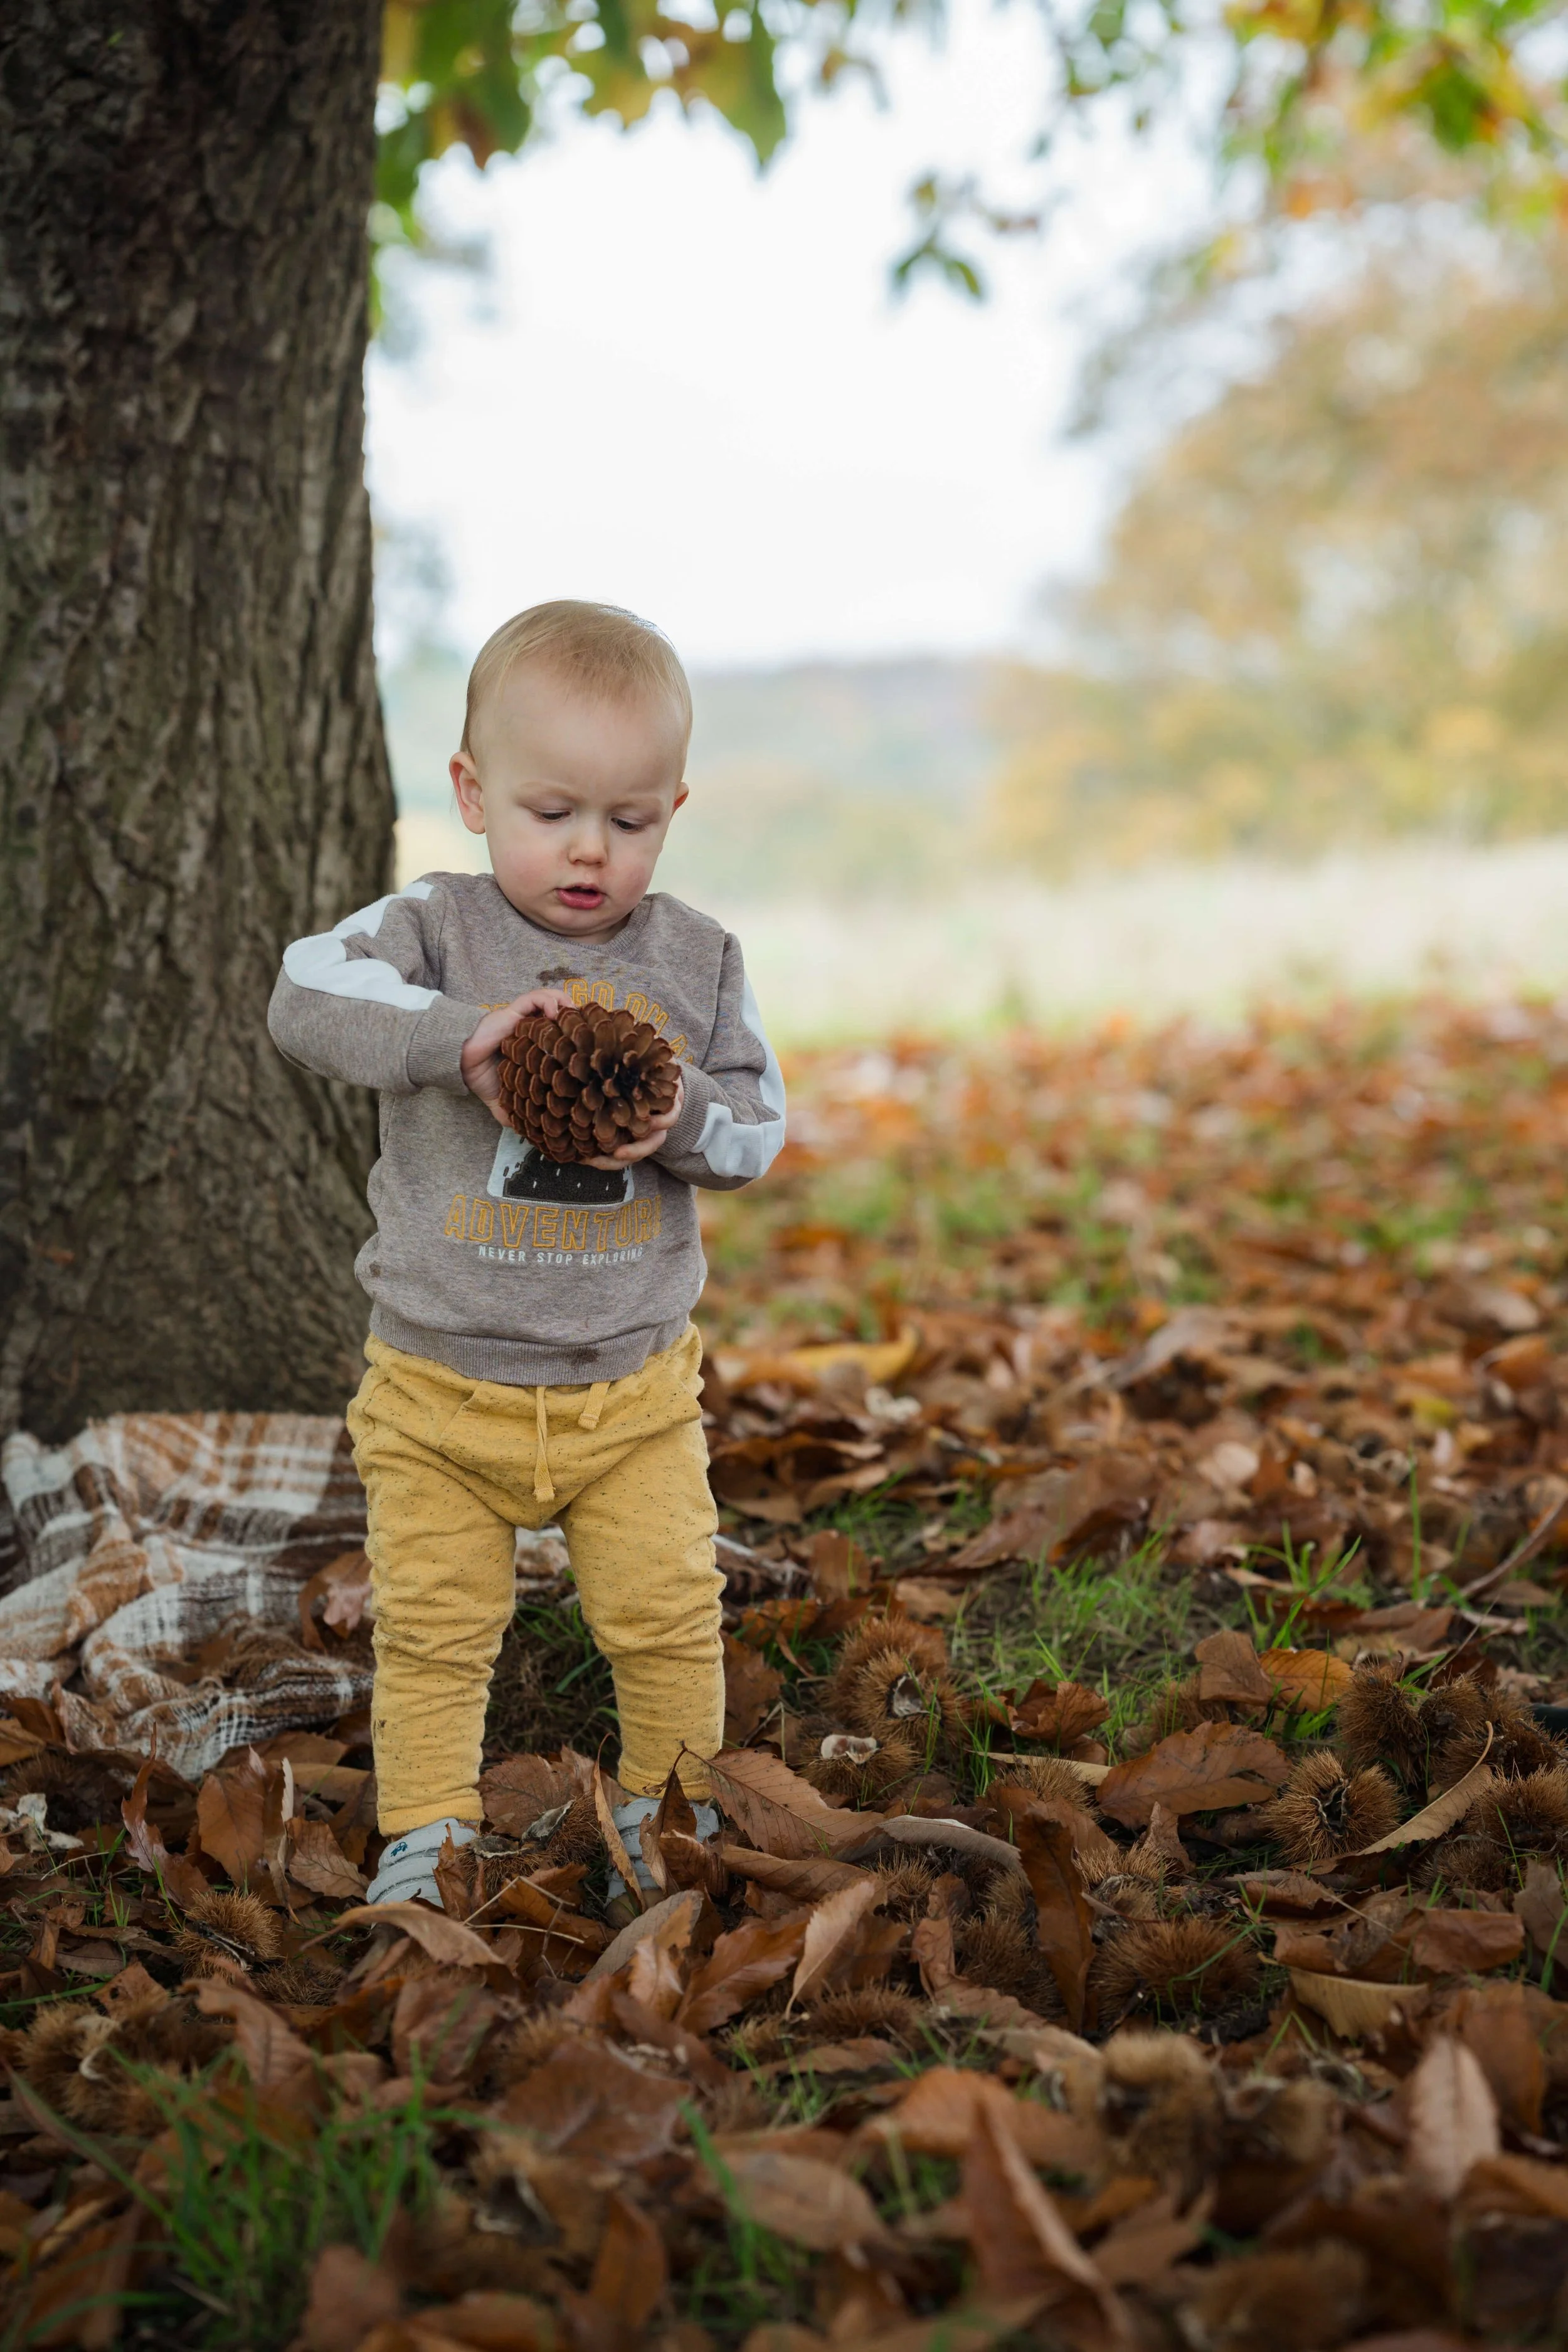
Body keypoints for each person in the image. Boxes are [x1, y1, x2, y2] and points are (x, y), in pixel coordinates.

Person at [268, 601, 785, 1904]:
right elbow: (302, 996)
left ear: (672, 807)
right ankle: (430, 1831)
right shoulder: (431, 930)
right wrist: (463, 1038)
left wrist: (676, 1122)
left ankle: (672, 1811)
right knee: (436, 1631)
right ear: (472, 792)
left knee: (665, 1615)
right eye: (550, 810)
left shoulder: (698, 960)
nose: (588, 851)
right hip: (439, 1387)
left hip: (630, 1391)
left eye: (629, 821)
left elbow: (756, 1132)